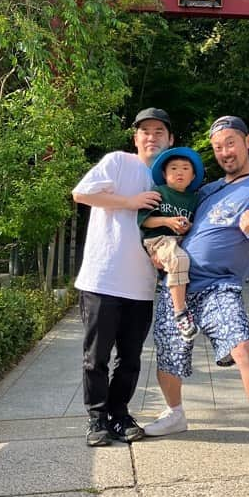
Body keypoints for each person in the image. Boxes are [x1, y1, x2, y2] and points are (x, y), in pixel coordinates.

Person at [143, 115, 249, 493]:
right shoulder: (208, 189)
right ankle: (175, 414)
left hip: (218, 286)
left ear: (247, 142)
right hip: (176, 284)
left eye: (230, 143)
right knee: (168, 357)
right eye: (217, 147)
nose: (224, 152)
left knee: (243, 347)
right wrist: (158, 251)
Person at [71, 107, 174, 447]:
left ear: (170, 139)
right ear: (135, 138)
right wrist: (130, 201)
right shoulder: (118, 162)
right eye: (145, 131)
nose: (152, 137)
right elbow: (81, 194)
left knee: (130, 358)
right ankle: (97, 418)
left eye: (159, 131)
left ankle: (119, 414)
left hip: (142, 285)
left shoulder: (171, 178)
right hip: (103, 278)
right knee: (96, 356)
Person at [138, 146, 205, 342]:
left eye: (185, 168)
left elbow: (196, 224)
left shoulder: (195, 199)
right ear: (165, 174)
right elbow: (144, 220)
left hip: (181, 240)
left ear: (193, 176)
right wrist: (167, 221)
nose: (179, 172)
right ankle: (180, 314)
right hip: (159, 240)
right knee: (179, 258)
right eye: (173, 168)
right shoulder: (159, 192)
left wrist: (187, 225)